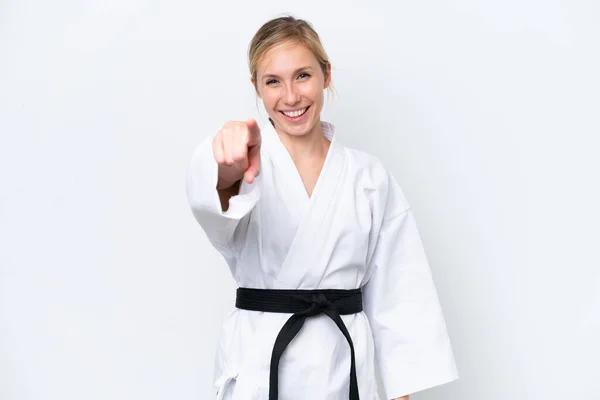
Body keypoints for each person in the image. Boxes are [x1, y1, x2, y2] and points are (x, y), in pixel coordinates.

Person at [186, 15, 459, 400]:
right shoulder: (246, 163)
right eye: (273, 81)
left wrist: (401, 393)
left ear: (326, 75)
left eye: (302, 75)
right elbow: (213, 197)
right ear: (257, 88)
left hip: (342, 367)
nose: (291, 96)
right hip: (260, 367)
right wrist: (226, 164)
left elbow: (400, 294)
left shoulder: (368, 178)